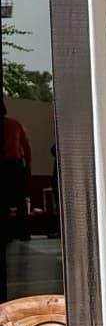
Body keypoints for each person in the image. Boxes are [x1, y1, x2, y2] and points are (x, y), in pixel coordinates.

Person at [0, 96, 32, 243]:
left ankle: (6, 234)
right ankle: (24, 233)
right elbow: (26, 145)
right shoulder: (16, 124)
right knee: (20, 200)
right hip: (15, 164)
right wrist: (28, 165)